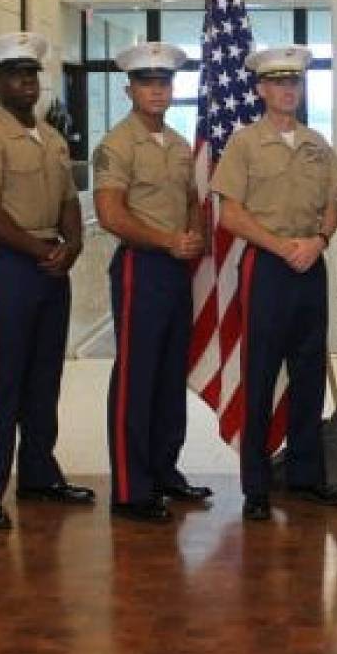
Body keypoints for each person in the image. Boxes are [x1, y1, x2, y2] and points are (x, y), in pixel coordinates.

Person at [0, 31, 94, 530]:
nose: (25, 83)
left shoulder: (52, 138)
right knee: (1, 375)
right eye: (15, 74)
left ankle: (39, 475)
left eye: (32, 73)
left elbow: (68, 201)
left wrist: (73, 245)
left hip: (49, 260)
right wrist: (43, 250)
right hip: (6, 262)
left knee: (44, 375)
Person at [211, 45, 337, 522]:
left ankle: (306, 477)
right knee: (261, 374)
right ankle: (255, 486)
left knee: (310, 374)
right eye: (278, 83)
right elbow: (229, 213)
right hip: (268, 267)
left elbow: (334, 202)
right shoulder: (244, 144)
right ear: (261, 90)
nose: (287, 90)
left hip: (309, 263)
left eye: (293, 82)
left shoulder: (316, 143)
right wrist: (281, 246)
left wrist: (319, 239)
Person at [93, 42, 214, 523]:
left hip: (173, 268)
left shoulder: (178, 144)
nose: (157, 90)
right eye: (147, 83)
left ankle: (164, 470)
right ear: (130, 89)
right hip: (140, 267)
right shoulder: (118, 145)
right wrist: (168, 240)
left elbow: (189, 199)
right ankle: (130, 486)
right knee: (137, 377)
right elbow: (110, 213)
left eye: (164, 83)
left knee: (168, 376)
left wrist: (193, 234)